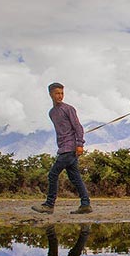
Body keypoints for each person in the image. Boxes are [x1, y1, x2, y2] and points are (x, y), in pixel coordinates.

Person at [32, 82, 92, 214]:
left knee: (53, 174)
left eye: (62, 93)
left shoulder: (68, 109)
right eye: (57, 93)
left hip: (69, 148)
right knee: (75, 177)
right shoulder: (52, 112)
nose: (60, 96)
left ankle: (49, 205)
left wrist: (80, 144)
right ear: (50, 94)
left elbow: (78, 127)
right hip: (64, 148)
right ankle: (85, 204)